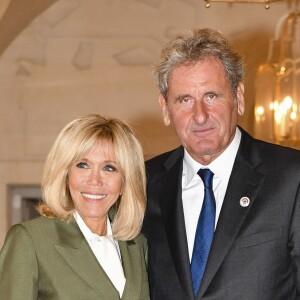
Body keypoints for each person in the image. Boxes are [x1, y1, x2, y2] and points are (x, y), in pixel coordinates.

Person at [142, 28, 300, 299]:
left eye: (211, 96)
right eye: (185, 100)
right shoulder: (145, 183)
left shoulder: (291, 177)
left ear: (238, 97)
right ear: (166, 109)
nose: (200, 116)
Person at [0, 114, 150, 300]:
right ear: (65, 174)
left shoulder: (137, 245)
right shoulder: (30, 241)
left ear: (126, 181)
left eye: (109, 168)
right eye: (83, 165)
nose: (95, 180)